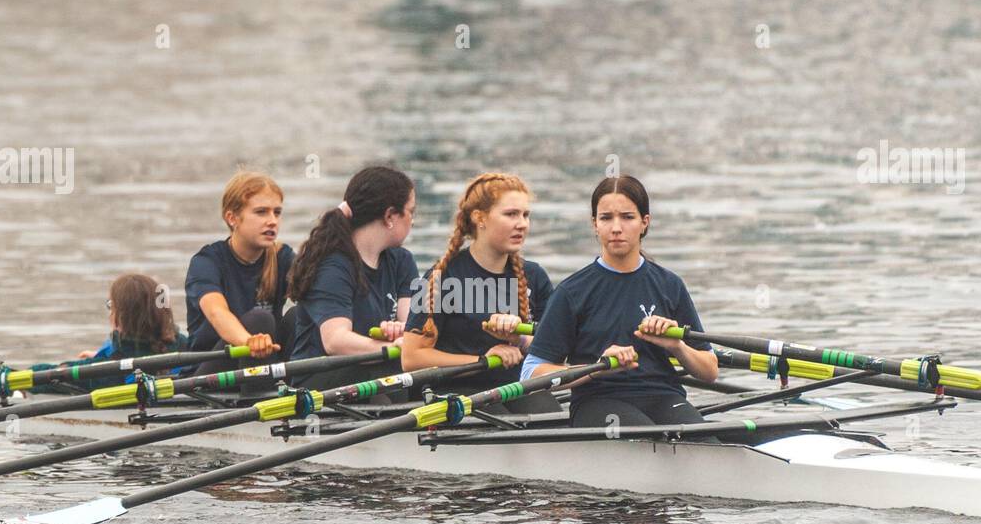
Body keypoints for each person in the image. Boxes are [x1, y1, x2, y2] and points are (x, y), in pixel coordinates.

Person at [521, 175, 718, 428]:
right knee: (650, 440)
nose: (616, 228)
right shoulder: (572, 292)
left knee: (701, 442)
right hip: (598, 400)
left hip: (664, 396)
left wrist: (677, 346)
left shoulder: (670, 285)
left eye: (627, 217)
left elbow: (710, 371)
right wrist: (596, 368)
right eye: (606, 218)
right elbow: (531, 372)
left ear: (644, 223)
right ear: (595, 224)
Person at [401, 172, 556, 411]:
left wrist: (520, 340)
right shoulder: (441, 277)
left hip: (513, 386)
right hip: (454, 389)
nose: (522, 224)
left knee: (547, 415)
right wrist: (483, 361)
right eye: (511, 214)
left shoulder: (534, 277)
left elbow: (554, 350)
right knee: (497, 419)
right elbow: (411, 358)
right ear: (479, 218)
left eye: (526, 215)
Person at [288, 166, 418, 390]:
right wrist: (391, 348)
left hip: (374, 370)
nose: (413, 221)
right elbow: (335, 341)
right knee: (391, 372)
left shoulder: (402, 261)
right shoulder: (332, 267)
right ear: (389, 216)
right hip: (319, 379)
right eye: (411, 212)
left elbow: (413, 326)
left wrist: (403, 333)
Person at [184, 171, 290, 373]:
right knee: (260, 320)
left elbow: (320, 292)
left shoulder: (282, 257)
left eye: (277, 212)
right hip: (211, 371)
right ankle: (258, 397)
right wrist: (249, 341)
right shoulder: (206, 262)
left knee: (298, 315)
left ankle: (298, 385)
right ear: (232, 218)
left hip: (264, 363)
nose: (272, 221)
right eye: (261, 212)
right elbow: (217, 312)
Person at [31, 273, 188, 391]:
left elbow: (45, 375)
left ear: (121, 316)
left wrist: (10, 375)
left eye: (111, 305)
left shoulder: (108, 371)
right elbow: (148, 354)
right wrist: (103, 355)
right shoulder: (187, 347)